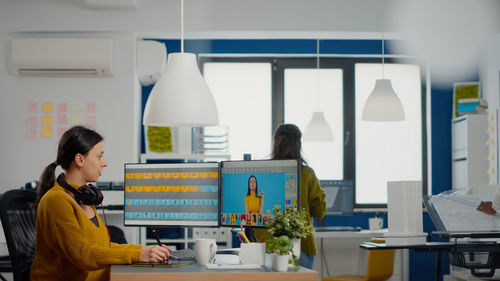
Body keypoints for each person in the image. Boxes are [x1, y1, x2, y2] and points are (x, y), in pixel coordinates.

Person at [30, 126, 171, 281]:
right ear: (80, 159)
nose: (104, 163)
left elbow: (102, 247)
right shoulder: (55, 201)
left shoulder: (83, 197)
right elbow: (84, 255)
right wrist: (138, 254)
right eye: (99, 156)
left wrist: (145, 250)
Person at [255, 123, 327, 269]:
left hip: (267, 246)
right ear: (298, 144)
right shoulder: (306, 174)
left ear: (275, 143)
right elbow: (319, 212)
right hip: (300, 246)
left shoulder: (262, 172)